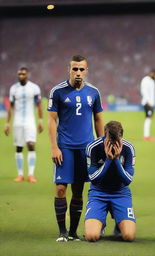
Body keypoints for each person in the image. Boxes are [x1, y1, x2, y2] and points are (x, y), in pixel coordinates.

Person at [48, 55, 104, 242]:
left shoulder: (94, 92)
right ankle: (62, 231)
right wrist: (54, 147)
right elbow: (51, 120)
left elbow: (98, 119)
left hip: (85, 149)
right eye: (75, 69)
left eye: (82, 69)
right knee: (61, 189)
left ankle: (73, 232)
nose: (78, 72)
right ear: (69, 70)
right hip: (65, 148)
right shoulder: (58, 91)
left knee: (79, 191)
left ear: (87, 71)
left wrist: (101, 144)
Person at [84, 121, 136, 242]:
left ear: (121, 137)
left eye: (116, 141)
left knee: (129, 236)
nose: (113, 145)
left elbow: (127, 180)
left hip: (120, 193)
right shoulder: (93, 147)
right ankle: (100, 224)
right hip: (98, 193)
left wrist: (116, 160)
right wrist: (108, 160)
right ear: (104, 136)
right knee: (91, 236)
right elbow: (93, 179)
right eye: (109, 141)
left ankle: (119, 224)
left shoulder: (129, 149)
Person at [4, 67, 43, 183]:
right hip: (17, 121)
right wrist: (7, 123)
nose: (21, 76)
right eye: (19, 74)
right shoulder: (13, 88)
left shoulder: (34, 88)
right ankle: (20, 174)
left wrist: (40, 121)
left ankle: (31, 174)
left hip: (30, 121)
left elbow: (39, 105)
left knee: (31, 144)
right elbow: (10, 107)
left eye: (23, 74)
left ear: (27, 75)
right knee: (19, 147)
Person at [140, 69, 155, 141]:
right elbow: (144, 91)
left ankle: (147, 135)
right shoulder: (146, 80)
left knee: (149, 118)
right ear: (152, 73)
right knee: (148, 118)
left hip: (150, 103)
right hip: (147, 103)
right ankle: (146, 136)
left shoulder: (151, 81)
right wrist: (148, 101)